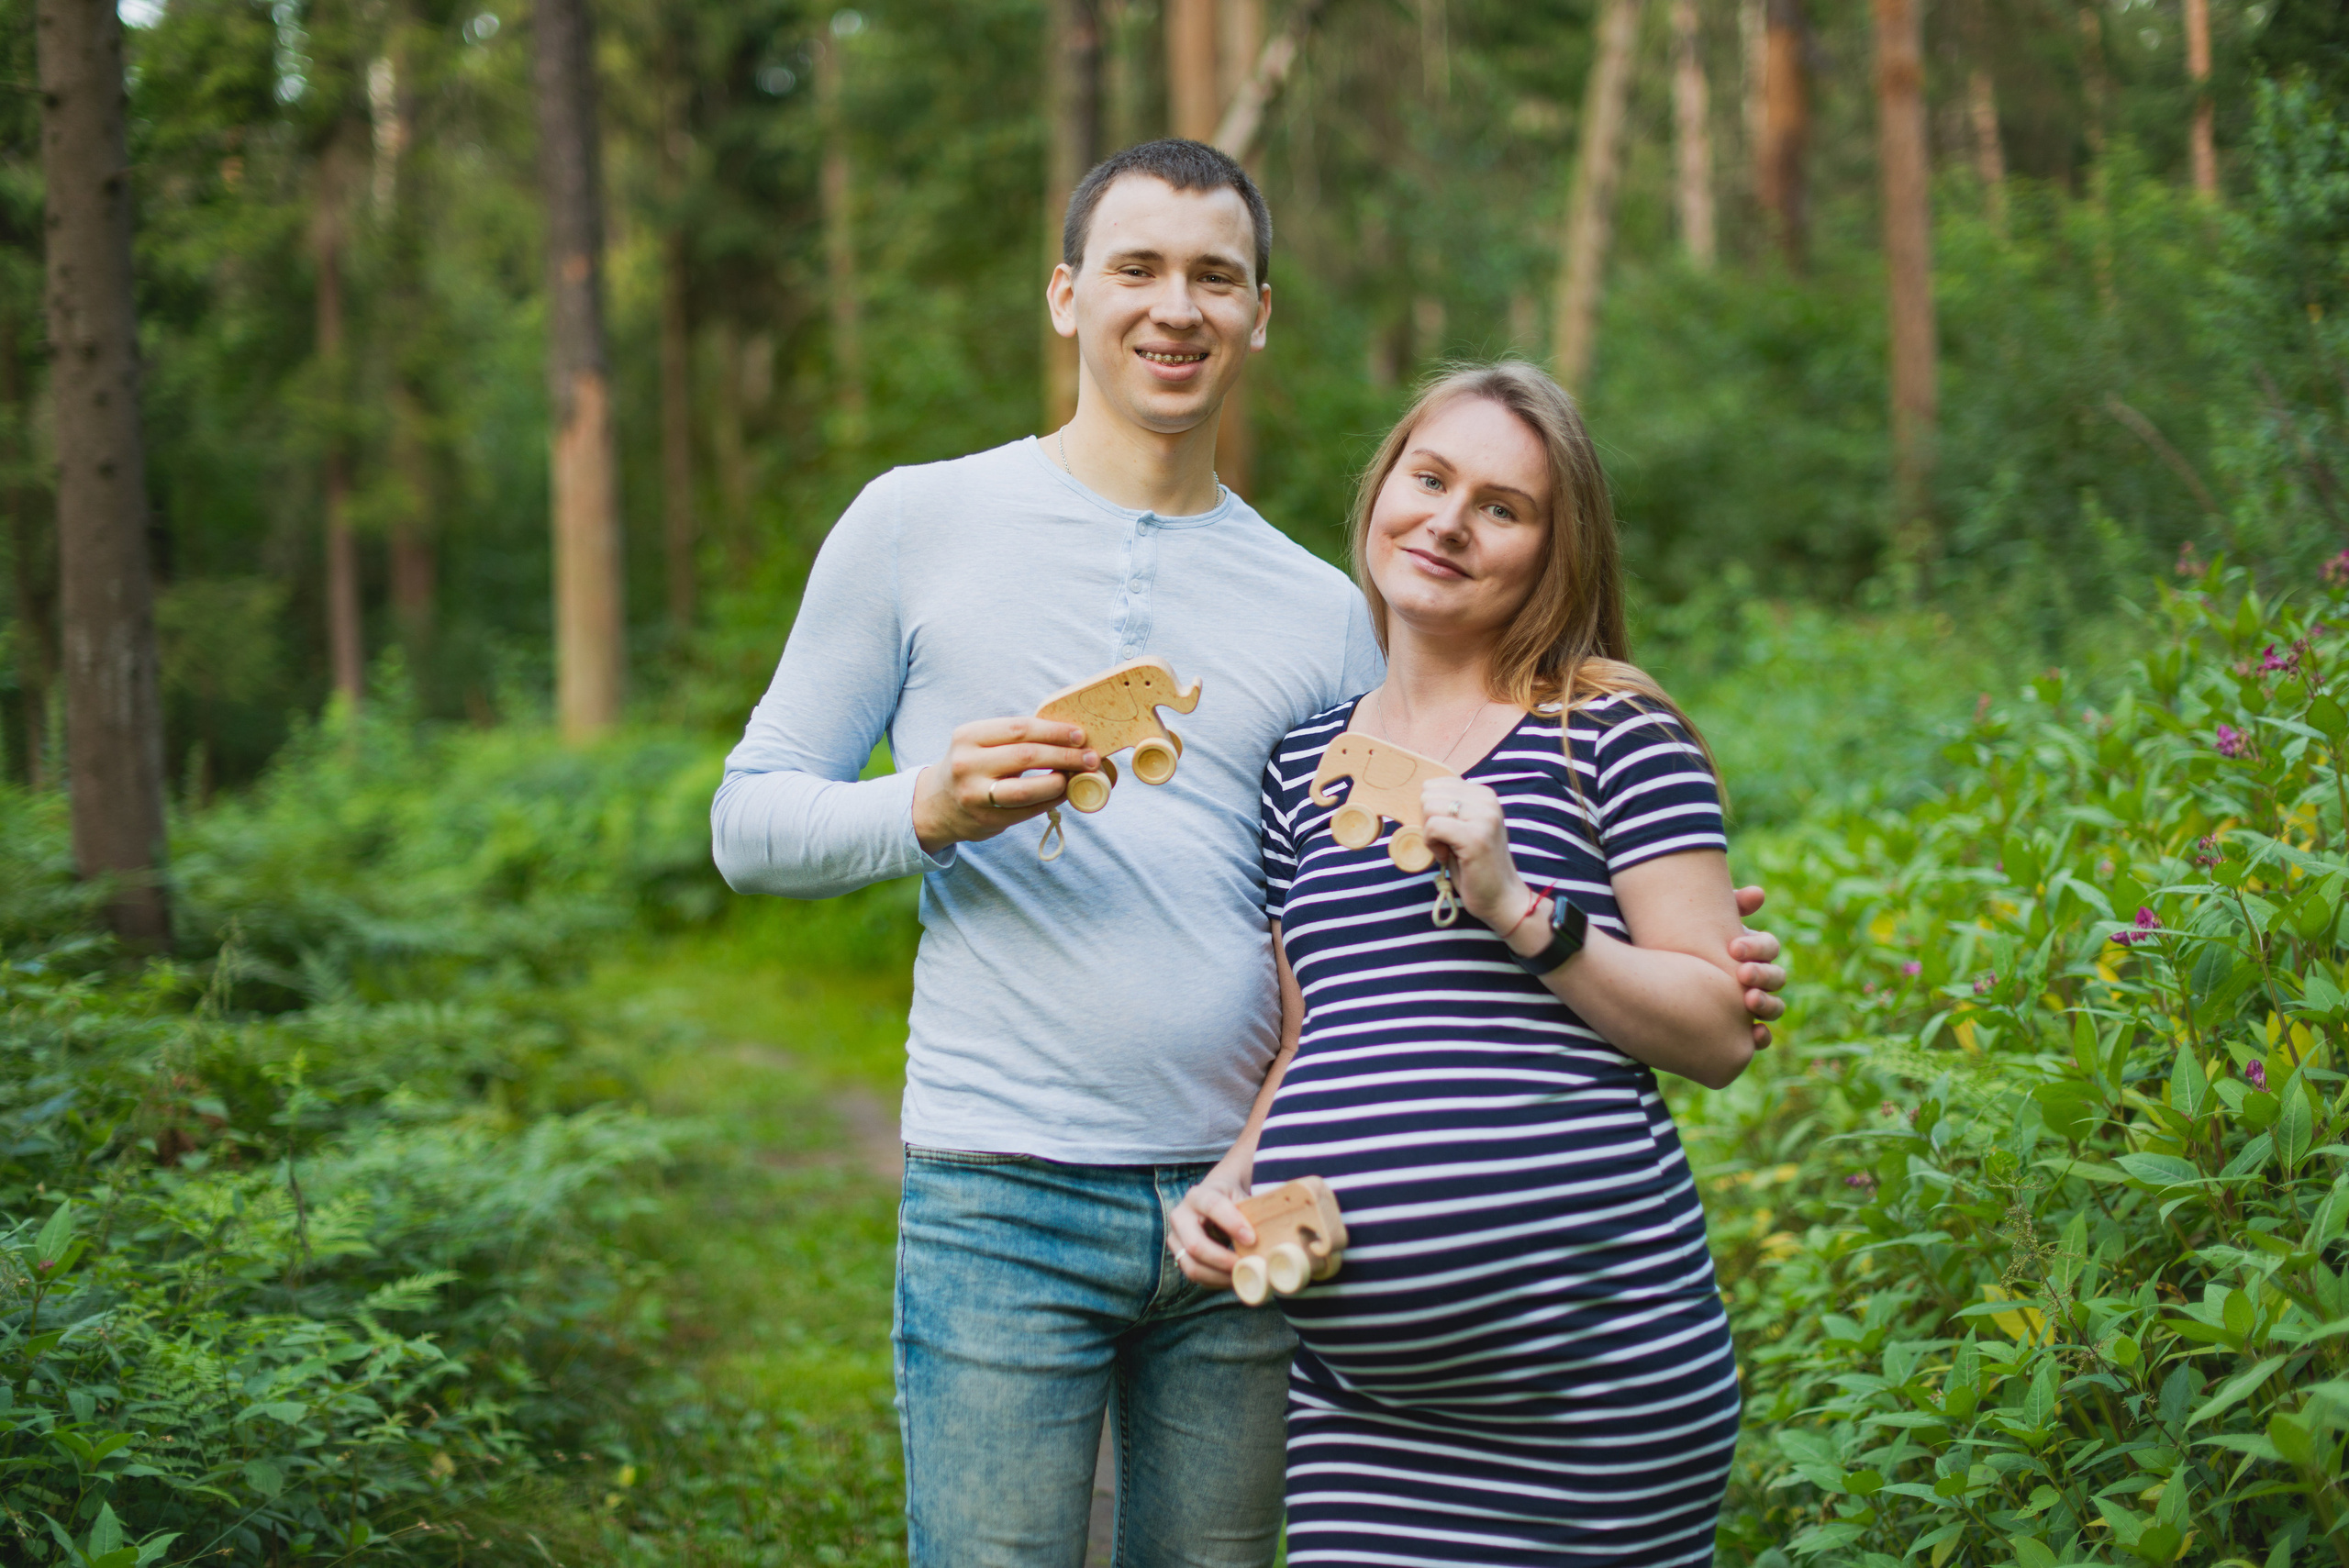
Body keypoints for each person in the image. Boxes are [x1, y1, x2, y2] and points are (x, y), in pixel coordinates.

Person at [714, 140, 1786, 1568]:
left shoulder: (1329, 609)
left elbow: (1356, 941)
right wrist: (926, 807)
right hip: (1002, 1182)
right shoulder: (918, 522)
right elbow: (748, 822)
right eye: (1137, 267)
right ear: (1065, 295)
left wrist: (1639, 940)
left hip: (1252, 1220)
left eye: (1214, 275)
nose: (1176, 306)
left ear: (1260, 312)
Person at [1169, 361, 1754, 1567]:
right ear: (1382, 489)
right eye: (1428, 478)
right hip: (1364, 1414)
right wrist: (1227, 1188)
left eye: (1502, 505)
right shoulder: (1297, 771)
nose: (1447, 520)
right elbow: (1312, 1041)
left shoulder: (1608, 737)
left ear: (1554, 550)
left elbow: (1716, 1031)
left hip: (1598, 1391)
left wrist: (1519, 906)